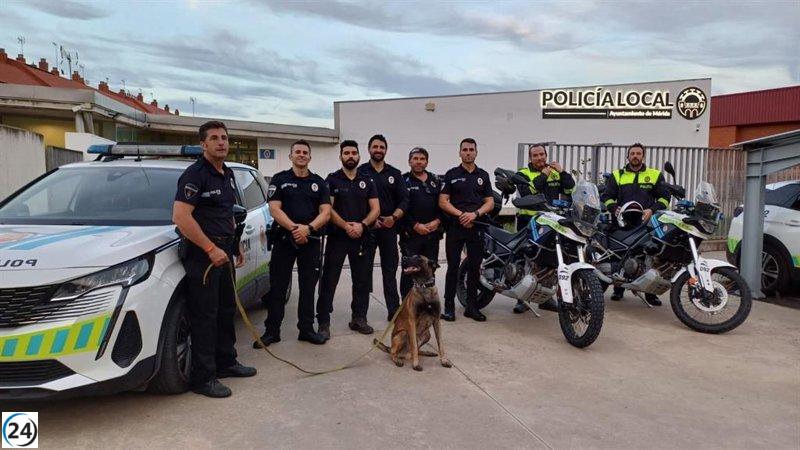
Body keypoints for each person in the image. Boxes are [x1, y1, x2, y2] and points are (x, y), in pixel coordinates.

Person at [173, 120, 257, 398]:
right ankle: (203, 378)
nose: (221, 142)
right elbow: (181, 217)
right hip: (204, 257)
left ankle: (226, 362)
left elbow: (226, 214)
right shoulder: (195, 175)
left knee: (225, 311)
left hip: (224, 253)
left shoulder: (227, 173)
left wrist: (234, 246)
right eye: (215, 138)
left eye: (224, 138)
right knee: (205, 316)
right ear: (203, 144)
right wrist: (210, 249)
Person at [256, 140, 331, 347]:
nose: (301, 155)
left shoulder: (319, 182)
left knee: (308, 288)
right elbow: (275, 209)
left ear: (309, 157)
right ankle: (272, 331)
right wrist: (295, 229)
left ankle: (306, 329)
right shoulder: (280, 179)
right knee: (278, 287)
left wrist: (308, 229)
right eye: (297, 152)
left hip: (311, 240)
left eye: (305, 152)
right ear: (291, 156)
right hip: (284, 239)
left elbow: (325, 212)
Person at [317, 140, 381, 338]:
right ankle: (323, 322)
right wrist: (346, 226)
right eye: (346, 153)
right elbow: (328, 209)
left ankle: (359, 318)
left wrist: (362, 225)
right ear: (341, 157)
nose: (350, 156)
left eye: (354, 153)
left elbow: (376, 209)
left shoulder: (367, 180)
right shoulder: (332, 180)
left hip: (361, 237)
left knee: (362, 280)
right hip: (338, 238)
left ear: (359, 156)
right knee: (329, 280)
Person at [601, 142, 670, 306]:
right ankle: (619, 288)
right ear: (628, 156)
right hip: (622, 221)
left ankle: (650, 293)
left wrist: (652, 210)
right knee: (621, 253)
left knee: (648, 257)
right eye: (632, 153)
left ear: (643, 156)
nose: (635, 156)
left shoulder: (654, 175)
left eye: (638, 153)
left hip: (646, 222)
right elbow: (607, 196)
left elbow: (665, 198)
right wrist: (613, 208)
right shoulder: (617, 175)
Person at [512, 143, 575, 313]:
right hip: (529, 221)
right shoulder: (523, 174)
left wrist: (562, 172)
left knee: (550, 260)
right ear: (530, 158)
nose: (539, 158)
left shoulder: (556, 172)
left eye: (542, 155)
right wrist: (544, 175)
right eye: (535, 155)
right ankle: (521, 300)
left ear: (546, 156)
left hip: (551, 222)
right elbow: (528, 192)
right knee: (526, 259)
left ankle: (546, 298)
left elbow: (571, 189)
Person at [439, 138, 494, 322]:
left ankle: (471, 307)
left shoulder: (483, 175)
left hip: (476, 227)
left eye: (471, 149)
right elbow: (443, 201)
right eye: (465, 149)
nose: (468, 152)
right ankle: (448, 307)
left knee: (474, 268)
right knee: (453, 268)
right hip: (455, 228)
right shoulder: (451, 174)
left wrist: (475, 214)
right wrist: (462, 214)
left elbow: (490, 202)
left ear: (476, 152)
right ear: (460, 152)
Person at [358, 134, 409, 320]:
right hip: (368, 231)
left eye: (381, 147)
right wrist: (369, 220)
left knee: (390, 271)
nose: (378, 150)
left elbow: (404, 200)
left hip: (389, 229)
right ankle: (360, 315)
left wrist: (393, 217)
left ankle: (393, 311)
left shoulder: (395, 174)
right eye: (375, 147)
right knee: (364, 273)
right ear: (369, 149)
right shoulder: (360, 172)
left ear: (386, 150)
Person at [400, 147, 442, 299]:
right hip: (411, 235)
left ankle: (427, 303)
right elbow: (401, 209)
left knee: (429, 270)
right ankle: (406, 305)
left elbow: (442, 205)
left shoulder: (436, 181)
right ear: (410, 161)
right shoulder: (403, 181)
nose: (419, 162)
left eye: (422, 159)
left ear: (427, 161)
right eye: (415, 158)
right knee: (409, 271)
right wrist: (415, 225)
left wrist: (437, 222)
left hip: (432, 235)